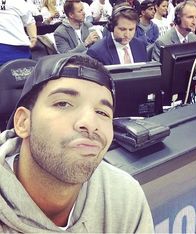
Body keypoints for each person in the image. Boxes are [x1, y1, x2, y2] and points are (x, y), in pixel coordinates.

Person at [0, 53, 154, 232]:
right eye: (64, 103)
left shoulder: (124, 197)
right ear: (23, 123)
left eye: (102, 112)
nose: (90, 124)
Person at [0, 0, 37, 66]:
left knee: (25, 72)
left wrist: (33, 38)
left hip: (20, 48)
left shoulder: (18, 2)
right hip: (6, 47)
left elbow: (29, 22)